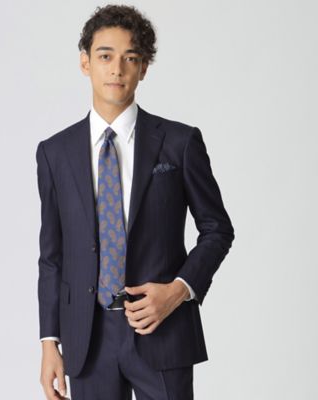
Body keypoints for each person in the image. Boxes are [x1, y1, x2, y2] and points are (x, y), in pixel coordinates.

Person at [36, 4, 235, 400]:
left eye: (130, 58)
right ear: (85, 62)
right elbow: (52, 257)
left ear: (143, 68)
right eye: (105, 56)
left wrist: (178, 290)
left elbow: (217, 229)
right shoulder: (54, 153)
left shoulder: (179, 142)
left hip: (163, 330)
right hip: (87, 340)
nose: (117, 69)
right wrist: (49, 341)